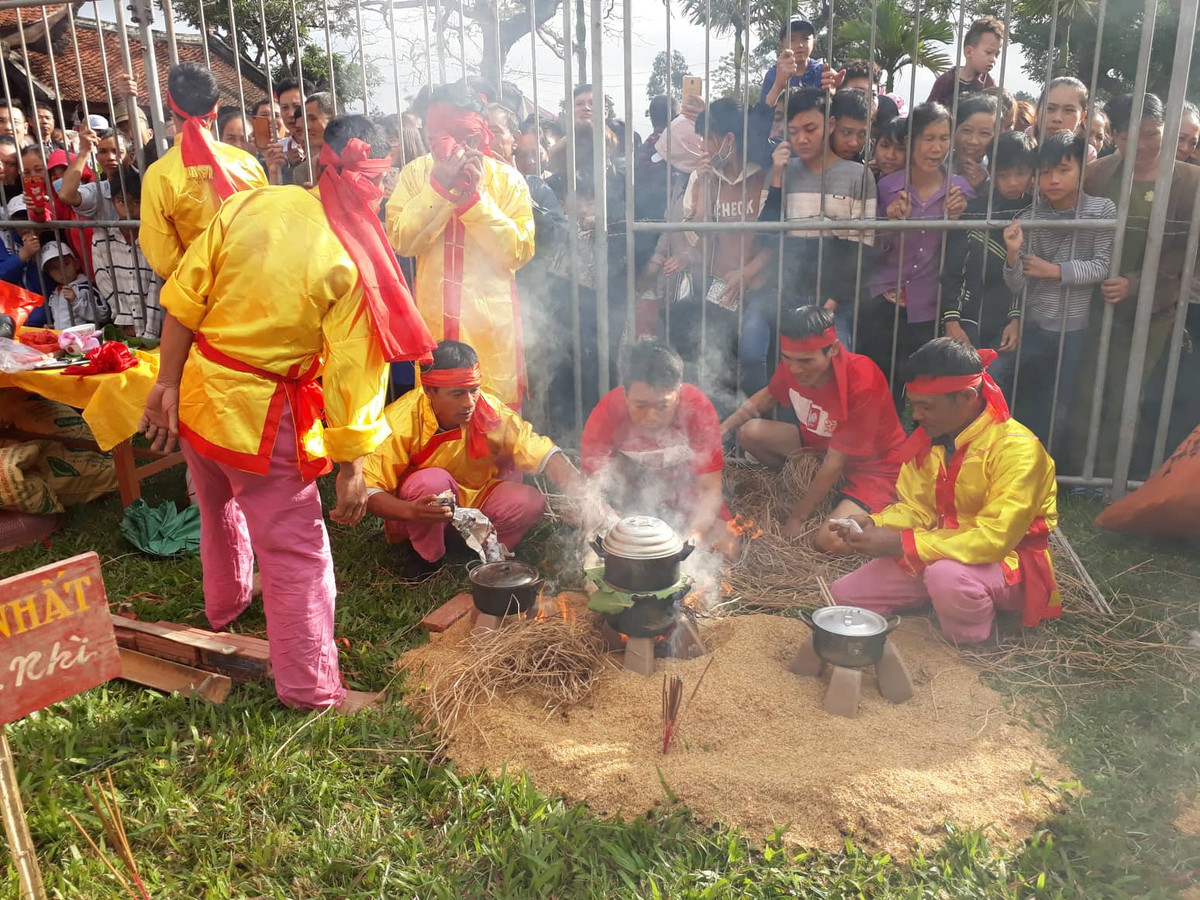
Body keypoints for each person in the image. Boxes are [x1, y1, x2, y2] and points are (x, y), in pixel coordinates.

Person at [139, 114, 436, 713]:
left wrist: (167, 381)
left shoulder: (248, 204)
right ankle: (310, 689)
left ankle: (225, 607)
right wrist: (352, 465)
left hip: (202, 392)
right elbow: (356, 370)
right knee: (297, 549)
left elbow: (183, 299)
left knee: (216, 501)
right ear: (376, 177)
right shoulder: (350, 256)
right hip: (262, 415)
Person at [830, 338, 1061, 645]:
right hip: (939, 553)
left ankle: (970, 643)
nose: (916, 416)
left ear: (967, 397)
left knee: (947, 577)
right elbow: (918, 509)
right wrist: (877, 523)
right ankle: (942, 600)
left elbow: (993, 539)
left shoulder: (1018, 450)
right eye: (914, 404)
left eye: (927, 406)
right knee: (845, 594)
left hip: (1007, 562)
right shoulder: (932, 438)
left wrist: (902, 544)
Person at [364, 339, 586, 577]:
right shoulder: (400, 419)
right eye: (458, 393)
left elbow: (537, 448)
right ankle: (426, 556)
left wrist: (587, 497)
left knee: (530, 502)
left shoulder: (489, 409)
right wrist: (410, 512)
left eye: (473, 390)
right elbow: (368, 489)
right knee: (431, 482)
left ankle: (476, 547)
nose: (469, 403)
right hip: (419, 509)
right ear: (429, 391)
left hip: (478, 495)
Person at [1070, 93, 1200, 476]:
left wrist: (1139, 282)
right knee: (1088, 386)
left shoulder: (1191, 182)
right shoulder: (1096, 176)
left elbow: (1191, 250)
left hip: (1157, 307)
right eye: (1127, 137)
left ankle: (1117, 474)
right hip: (1095, 302)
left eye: (1151, 134)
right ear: (1113, 135)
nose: (1140, 146)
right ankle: (1078, 470)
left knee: (1131, 391)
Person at [387, 81, 535, 408]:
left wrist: (477, 202)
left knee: (494, 430)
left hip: (491, 334)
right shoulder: (415, 176)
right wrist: (439, 190)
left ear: (480, 134)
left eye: (464, 138)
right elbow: (402, 241)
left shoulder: (507, 180)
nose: (454, 148)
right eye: (442, 137)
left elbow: (518, 251)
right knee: (435, 426)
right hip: (432, 330)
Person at [722, 307, 905, 553]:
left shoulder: (862, 379)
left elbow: (834, 462)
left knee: (828, 542)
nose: (795, 369)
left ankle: (881, 517)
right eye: (788, 358)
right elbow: (768, 396)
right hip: (819, 449)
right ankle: (808, 485)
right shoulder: (794, 362)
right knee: (749, 433)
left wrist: (798, 517)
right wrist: (722, 428)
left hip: (873, 470)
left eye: (806, 361)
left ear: (833, 349)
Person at [652, 98, 771, 406]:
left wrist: (746, 274)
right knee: (699, 349)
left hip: (755, 288)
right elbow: (703, 236)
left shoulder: (763, 177)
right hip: (718, 287)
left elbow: (776, 242)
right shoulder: (712, 178)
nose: (702, 147)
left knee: (750, 355)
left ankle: (751, 423)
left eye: (707, 139)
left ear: (729, 140)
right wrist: (703, 183)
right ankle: (708, 420)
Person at [1000, 133, 1115, 448]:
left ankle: (1053, 468)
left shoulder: (1102, 211)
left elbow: (1103, 266)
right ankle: (1021, 463)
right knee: (1027, 400)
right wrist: (1012, 256)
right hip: (1035, 326)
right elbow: (1017, 284)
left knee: (1062, 404)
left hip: (1075, 329)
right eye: (1046, 172)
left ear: (1082, 170)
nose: (1053, 180)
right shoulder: (1028, 218)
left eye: (1064, 170)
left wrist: (1054, 271)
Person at [581, 340, 739, 559]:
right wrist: (609, 523)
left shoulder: (698, 409)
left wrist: (691, 541)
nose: (651, 417)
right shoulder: (607, 413)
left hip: (687, 503)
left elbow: (710, 490)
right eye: (640, 406)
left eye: (663, 406)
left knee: (728, 547)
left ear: (678, 392)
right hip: (628, 508)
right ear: (625, 394)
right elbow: (590, 487)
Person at [863, 102, 972, 396]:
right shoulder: (887, 187)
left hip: (928, 307)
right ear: (911, 141)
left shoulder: (960, 192)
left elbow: (960, 254)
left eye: (943, 138)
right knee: (876, 384)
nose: (936, 148)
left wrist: (957, 221)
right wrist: (890, 223)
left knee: (918, 390)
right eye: (928, 138)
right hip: (882, 302)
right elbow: (870, 247)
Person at [759, 88, 876, 352]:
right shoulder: (781, 171)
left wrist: (830, 305)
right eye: (793, 130)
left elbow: (861, 247)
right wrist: (777, 176)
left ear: (830, 124)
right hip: (790, 296)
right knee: (793, 371)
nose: (801, 138)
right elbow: (766, 234)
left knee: (836, 366)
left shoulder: (858, 175)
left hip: (836, 300)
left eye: (810, 128)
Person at [139, 63, 268, 281]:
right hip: (256, 285)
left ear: (170, 103)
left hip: (201, 299)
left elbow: (163, 259)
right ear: (216, 109)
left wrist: (207, 285)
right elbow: (269, 227)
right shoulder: (248, 163)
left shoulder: (159, 175)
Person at [940, 131, 1034, 359]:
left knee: (1000, 383)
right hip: (967, 316)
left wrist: (1016, 319)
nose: (1012, 182)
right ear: (990, 172)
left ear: (1032, 172)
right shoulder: (975, 211)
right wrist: (951, 319)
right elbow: (953, 268)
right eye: (1003, 175)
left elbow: (1028, 278)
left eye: (1020, 173)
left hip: (1009, 322)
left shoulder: (1036, 214)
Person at [92, 167, 163, 339]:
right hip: (124, 326)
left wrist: (150, 330)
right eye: (122, 202)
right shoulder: (102, 238)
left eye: (136, 202)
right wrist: (123, 316)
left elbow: (157, 284)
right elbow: (103, 279)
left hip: (160, 323)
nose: (129, 209)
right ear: (113, 202)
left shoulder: (156, 236)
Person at [927, 17, 1004, 106]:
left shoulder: (989, 85)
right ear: (968, 52)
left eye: (996, 55)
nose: (993, 59)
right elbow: (929, 113)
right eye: (988, 52)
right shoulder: (946, 80)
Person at [38, 241, 108, 329]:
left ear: (76, 264)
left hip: (86, 339)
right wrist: (55, 328)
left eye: (66, 264)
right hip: (65, 339)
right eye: (55, 268)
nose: (62, 270)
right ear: (49, 273)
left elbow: (103, 314)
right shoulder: (55, 293)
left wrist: (76, 301)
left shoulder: (86, 287)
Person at [761, 17, 824, 106]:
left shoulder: (822, 72)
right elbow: (762, 113)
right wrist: (778, 85)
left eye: (805, 38)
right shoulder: (773, 74)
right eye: (792, 40)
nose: (800, 45)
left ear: (814, 41)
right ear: (782, 45)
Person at [952, 93, 999, 192]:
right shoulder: (936, 167)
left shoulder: (996, 180)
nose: (973, 141)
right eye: (966, 130)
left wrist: (980, 189)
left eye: (984, 133)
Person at [290, 92, 336, 186]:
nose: (307, 127)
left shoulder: (360, 158)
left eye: (312, 119)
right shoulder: (302, 172)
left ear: (332, 120)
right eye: (305, 121)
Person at [829, 89, 871, 163]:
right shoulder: (806, 165)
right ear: (830, 125)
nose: (854, 143)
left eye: (862, 134)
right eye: (846, 132)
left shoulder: (862, 172)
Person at [869, 114, 907, 179]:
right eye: (884, 146)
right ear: (875, 145)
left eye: (901, 149)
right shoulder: (867, 176)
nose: (890, 156)